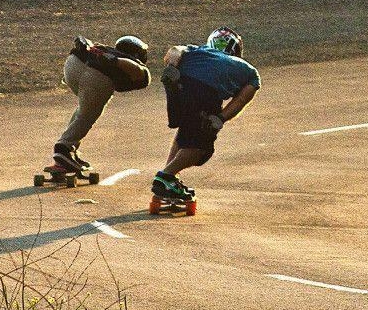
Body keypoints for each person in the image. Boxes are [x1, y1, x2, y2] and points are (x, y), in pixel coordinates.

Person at [155, 27, 260, 201]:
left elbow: (174, 51)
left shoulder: (196, 50)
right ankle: (165, 176)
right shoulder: (241, 66)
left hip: (180, 88)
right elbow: (244, 96)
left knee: (186, 130)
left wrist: (172, 65)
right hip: (205, 92)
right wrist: (221, 117)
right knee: (200, 148)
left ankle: (169, 179)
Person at [47, 34, 150, 176]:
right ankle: (63, 149)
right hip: (96, 76)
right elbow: (137, 69)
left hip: (72, 65)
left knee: (84, 111)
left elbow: (87, 48)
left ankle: (68, 153)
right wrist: (114, 61)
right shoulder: (130, 61)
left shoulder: (103, 49)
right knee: (88, 115)